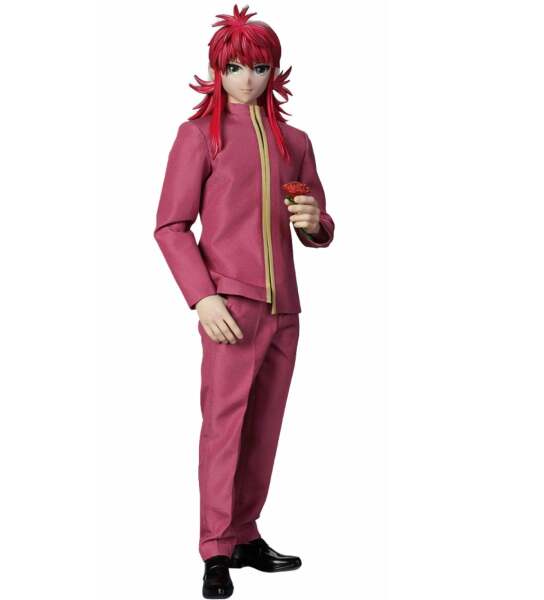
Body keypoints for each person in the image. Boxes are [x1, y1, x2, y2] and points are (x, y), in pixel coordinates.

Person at [153, 4, 335, 598]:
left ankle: (245, 534)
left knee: (264, 426)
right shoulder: (199, 136)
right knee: (224, 426)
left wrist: (315, 220)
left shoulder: (295, 142)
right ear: (217, 70)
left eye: (259, 68)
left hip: (285, 310)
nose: (247, 79)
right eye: (234, 67)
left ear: (274, 71)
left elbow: (318, 225)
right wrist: (202, 298)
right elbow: (171, 226)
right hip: (229, 306)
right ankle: (215, 548)